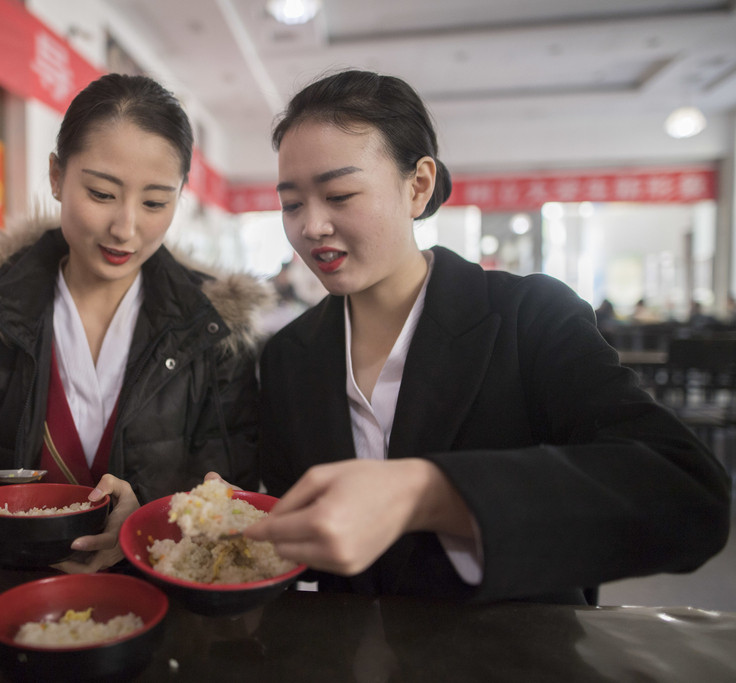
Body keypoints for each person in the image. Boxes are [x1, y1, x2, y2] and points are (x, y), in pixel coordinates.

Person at [244, 69, 731, 603]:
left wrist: (432, 493)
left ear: (418, 185)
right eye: (292, 204)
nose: (312, 226)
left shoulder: (529, 316)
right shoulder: (291, 355)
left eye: (339, 194)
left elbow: (687, 494)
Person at [0, 73, 270, 572]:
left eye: (155, 203)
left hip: (164, 601)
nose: (125, 228)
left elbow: (231, 500)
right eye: (101, 193)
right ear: (56, 176)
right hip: (18, 593)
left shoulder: (212, 328)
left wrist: (150, 526)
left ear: (180, 197)